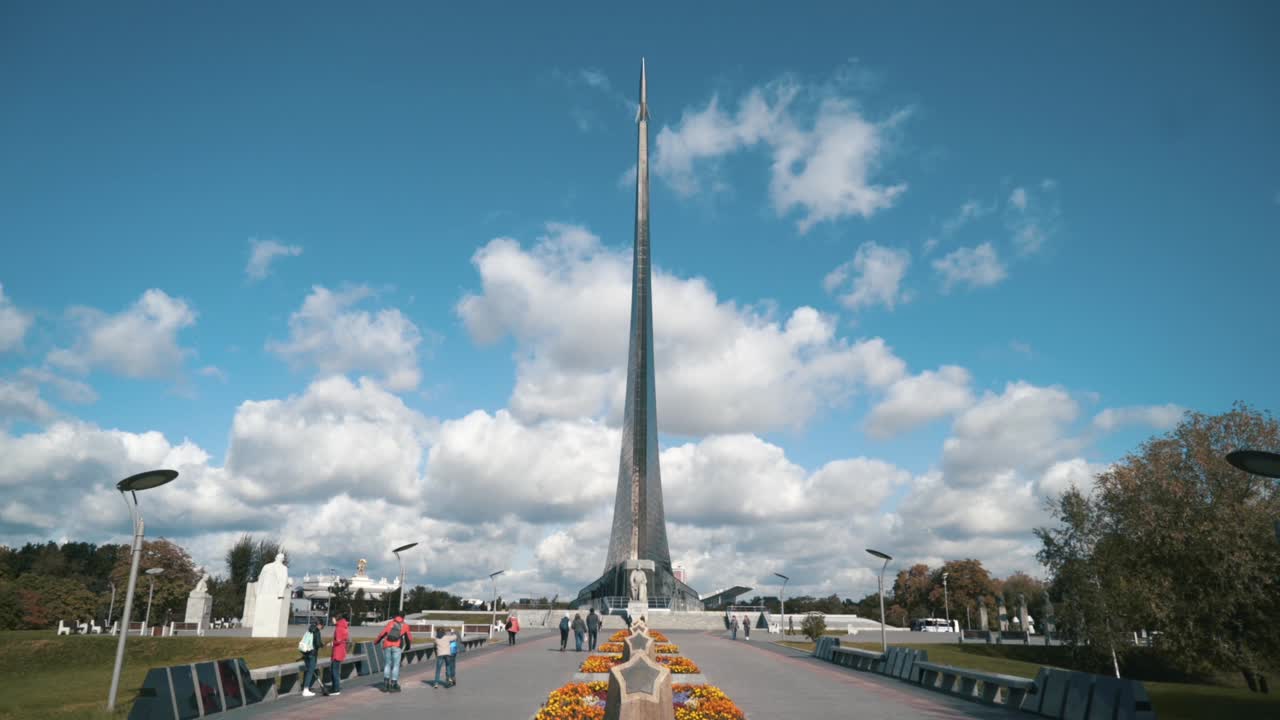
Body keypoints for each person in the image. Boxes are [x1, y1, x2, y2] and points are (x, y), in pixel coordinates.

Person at [374, 614, 412, 692]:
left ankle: (386, 684)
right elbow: (409, 638)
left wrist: (376, 642)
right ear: (403, 617)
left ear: (395, 617)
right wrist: (408, 646)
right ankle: (394, 684)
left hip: (387, 645)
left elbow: (382, 634)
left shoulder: (390, 623)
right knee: (396, 665)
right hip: (397, 647)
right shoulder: (405, 625)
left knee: (387, 664)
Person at [300, 618, 325, 697]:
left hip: (306, 653)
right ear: (319, 625)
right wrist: (322, 645)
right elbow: (317, 644)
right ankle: (306, 689)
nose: (322, 628)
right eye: (322, 626)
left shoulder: (309, 629)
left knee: (308, 671)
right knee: (310, 671)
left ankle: (305, 687)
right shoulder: (316, 631)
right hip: (312, 653)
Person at [328, 613, 349, 696]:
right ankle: (334, 687)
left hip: (337, 651)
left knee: (334, 670)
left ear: (336, 619)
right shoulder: (343, 626)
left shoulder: (339, 627)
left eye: (332, 618)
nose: (331, 620)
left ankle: (336, 689)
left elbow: (339, 640)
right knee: (334, 669)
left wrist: (332, 643)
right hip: (340, 651)